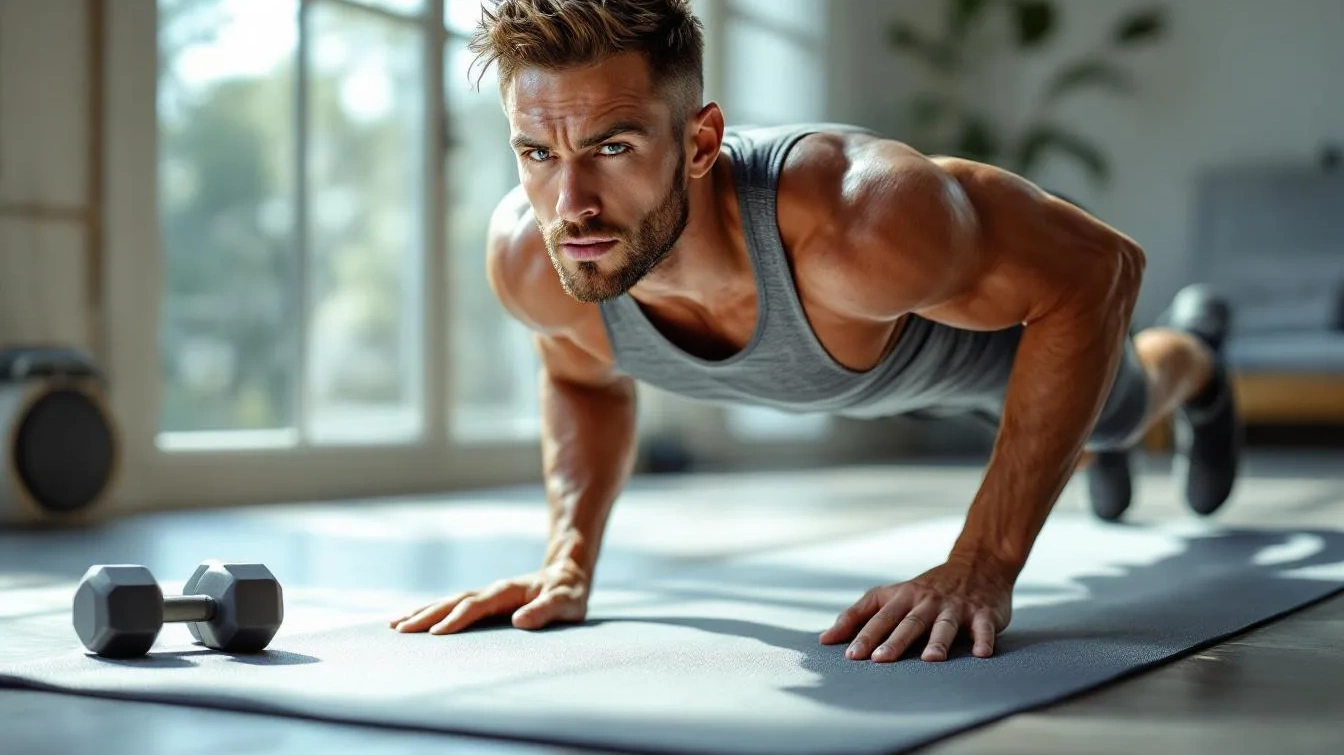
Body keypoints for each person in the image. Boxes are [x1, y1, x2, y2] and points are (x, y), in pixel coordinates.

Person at [391, 0, 1242, 663]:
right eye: (537, 153)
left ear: (701, 141)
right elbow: (580, 379)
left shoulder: (861, 219)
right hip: (900, 375)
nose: (569, 202)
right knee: (1098, 429)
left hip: (1004, 359)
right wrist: (566, 563)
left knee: (1120, 410)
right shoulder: (539, 262)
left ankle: (1199, 355)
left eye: (612, 148)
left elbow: (1102, 270)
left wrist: (984, 561)